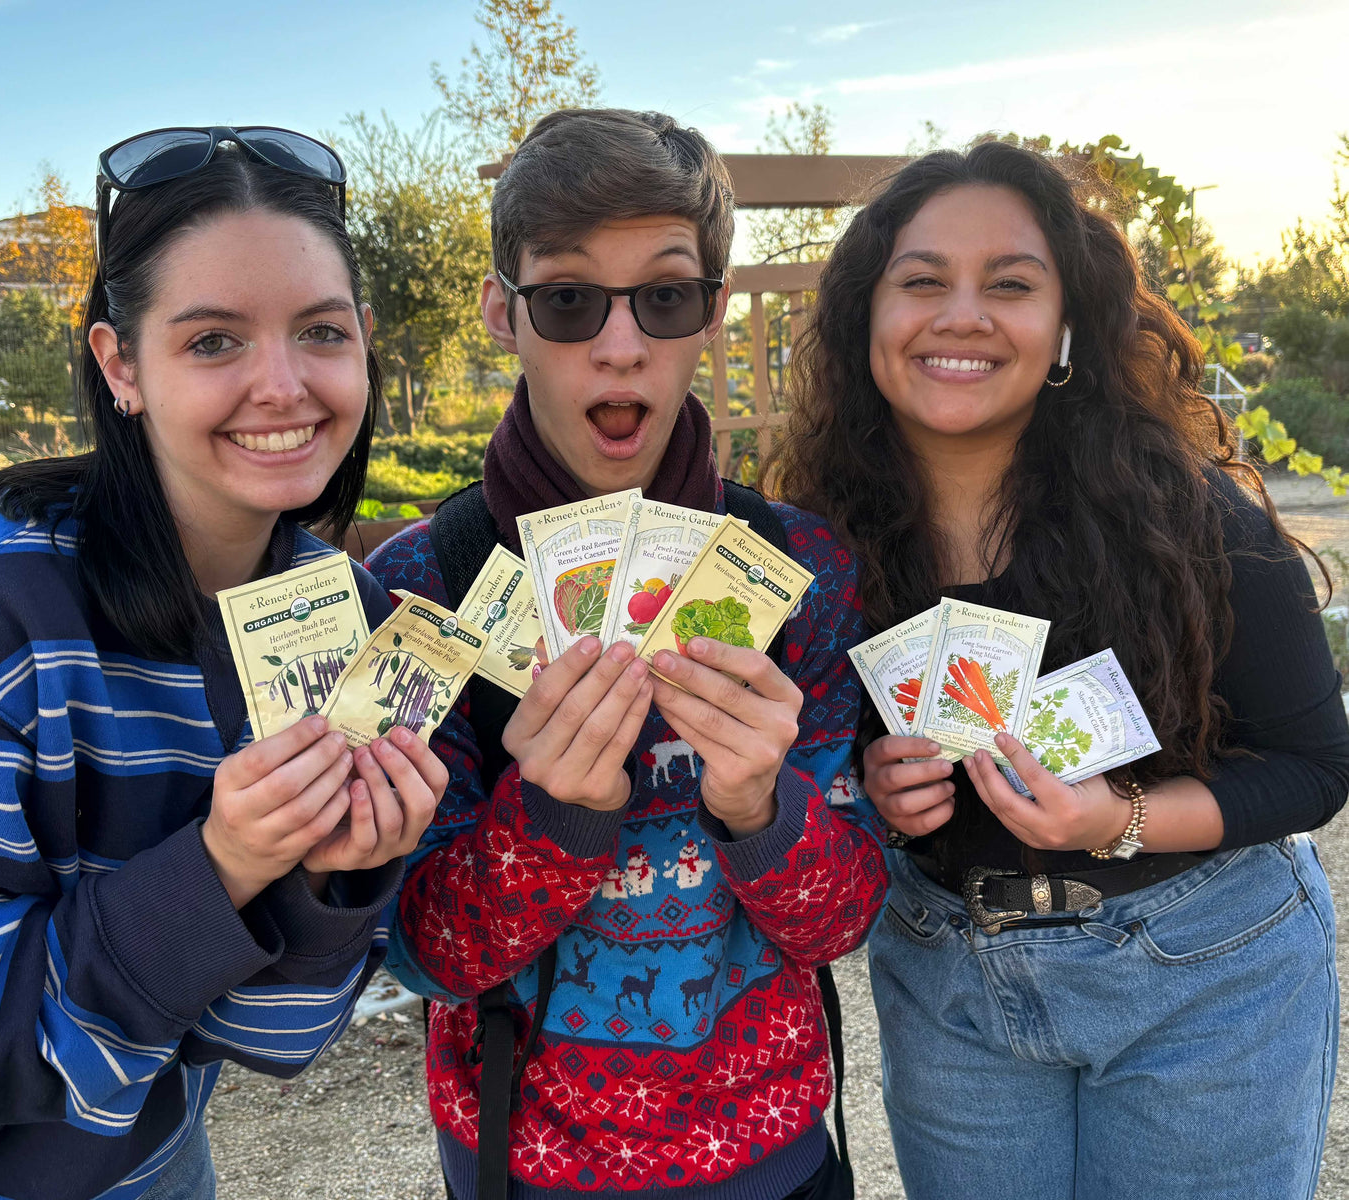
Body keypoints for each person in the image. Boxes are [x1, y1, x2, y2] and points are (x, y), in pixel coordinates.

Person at [0, 128, 448, 1200]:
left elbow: (263, 1037)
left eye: (321, 331)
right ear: (120, 364)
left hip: (161, 1158)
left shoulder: (343, 613)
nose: (283, 386)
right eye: (214, 341)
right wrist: (217, 868)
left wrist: (330, 878)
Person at [768, 139, 1348, 1200]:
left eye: (1011, 285)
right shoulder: (817, 545)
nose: (963, 315)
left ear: (1068, 324)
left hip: (1203, 972)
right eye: (923, 281)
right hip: (950, 980)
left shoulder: (1189, 517)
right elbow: (816, 774)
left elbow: (1314, 768)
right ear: (865, 318)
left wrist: (1116, 818)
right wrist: (876, 789)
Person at [366, 108, 886, 1200]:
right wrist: (552, 817)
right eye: (568, 300)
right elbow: (419, 951)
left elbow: (840, 920)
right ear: (501, 313)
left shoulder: (802, 572)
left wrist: (761, 807)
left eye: (664, 297)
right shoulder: (424, 587)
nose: (620, 345)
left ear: (713, 312)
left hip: (771, 1161)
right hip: (519, 1164)